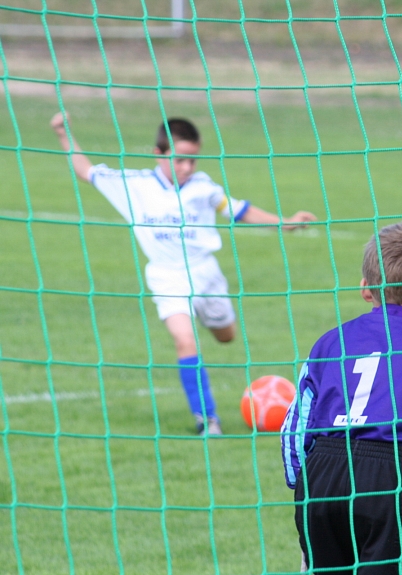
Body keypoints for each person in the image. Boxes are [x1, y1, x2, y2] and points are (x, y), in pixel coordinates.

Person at [50, 112, 317, 436]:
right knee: (184, 339)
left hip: (206, 273)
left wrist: (284, 222)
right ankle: (208, 420)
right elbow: (86, 171)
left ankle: (206, 317)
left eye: (193, 160)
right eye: (180, 160)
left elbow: (239, 210)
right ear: (158, 154)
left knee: (226, 336)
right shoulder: (134, 185)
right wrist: (63, 134)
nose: (187, 167)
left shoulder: (204, 188)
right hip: (167, 277)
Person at [281, 220, 402, 575]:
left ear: (365, 289)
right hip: (388, 481)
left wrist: (306, 496)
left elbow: (295, 432)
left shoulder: (330, 343)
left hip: (321, 478)